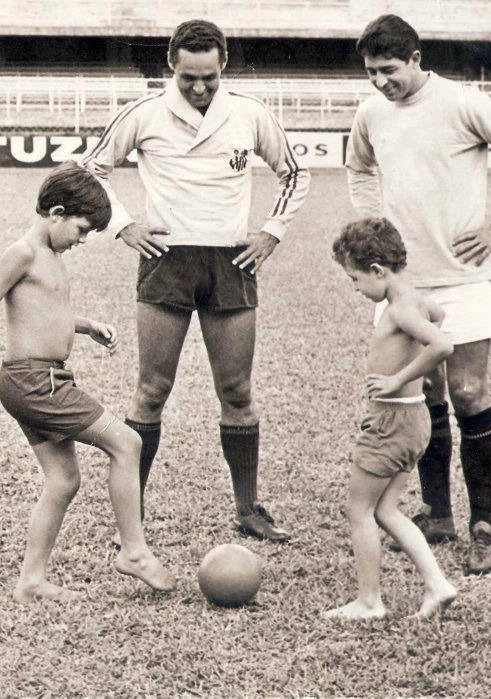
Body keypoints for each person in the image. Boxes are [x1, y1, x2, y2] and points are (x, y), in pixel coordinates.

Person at [82, 19, 310, 542]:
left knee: (236, 389)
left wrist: (271, 232)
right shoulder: (143, 114)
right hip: (168, 261)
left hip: (232, 264)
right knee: (151, 390)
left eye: (209, 76)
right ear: (171, 65)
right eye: (189, 77)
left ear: (223, 65)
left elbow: (294, 173)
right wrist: (123, 226)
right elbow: (92, 169)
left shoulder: (250, 114)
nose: (200, 87)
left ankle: (248, 509)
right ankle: (130, 517)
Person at [346, 14, 491, 574]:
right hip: (405, 285)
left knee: (466, 390)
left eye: (389, 70)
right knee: (422, 396)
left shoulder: (464, 103)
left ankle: (484, 524)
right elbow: (359, 170)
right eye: (371, 72)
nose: (381, 82)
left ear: (415, 58)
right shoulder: (369, 113)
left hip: (464, 279)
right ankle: (437, 513)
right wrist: (376, 229)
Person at [0, 162, 176, 602]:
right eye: (81, 229)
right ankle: (133, 550)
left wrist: (85, 325)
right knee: (127, 443)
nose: (82, 240)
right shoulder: (22, 252)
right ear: (56, 212)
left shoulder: (51, 255)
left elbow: (43, 313)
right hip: (33, 382)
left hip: (44, 378)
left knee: (62, 481)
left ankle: (31, 582)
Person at [324, 217, 457, 621]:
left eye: (355, 279)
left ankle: (369, 602)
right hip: (413, 419)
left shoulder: (399, 309)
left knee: (359, 510)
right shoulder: (415, 300)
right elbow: (439, 314)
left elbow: (442, 343)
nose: (356, 288)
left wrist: (399, 377)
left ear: (378, 270)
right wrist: (420, 374)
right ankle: (438, 585)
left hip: (391, 422)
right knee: (386, 510)